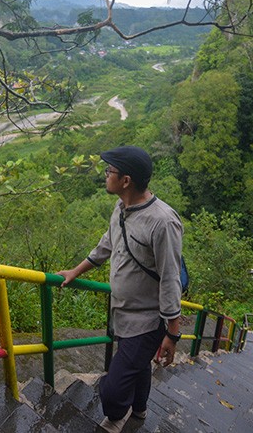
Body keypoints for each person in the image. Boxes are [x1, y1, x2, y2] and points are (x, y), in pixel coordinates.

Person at [57, 145, 183, 433]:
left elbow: (170, 278)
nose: (105, 175)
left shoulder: (163, 222)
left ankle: (116, 416)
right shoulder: (121, 208)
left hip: (148, 322)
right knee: (137, 368)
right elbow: (108, 242)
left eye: (109, 171)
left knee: (112, 390)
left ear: (126, 181)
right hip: (122, 314)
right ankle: (139, 411)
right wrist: (76, 271)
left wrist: (172, 334)